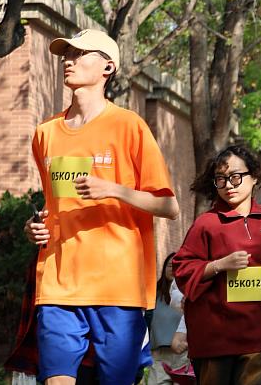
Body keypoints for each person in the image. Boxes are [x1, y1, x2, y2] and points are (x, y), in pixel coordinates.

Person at [24, 29, 179, 385]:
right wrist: (32, 228)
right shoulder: (45, 133)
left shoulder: (129, 126)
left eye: (80, 53)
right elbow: (53, 205)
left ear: (107, 67)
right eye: (67, 54)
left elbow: (169, 206)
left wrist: (114, 190)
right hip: (59, 284)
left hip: (118, 287)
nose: (69, 60)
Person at [172, 145, 261, 385]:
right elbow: (182, 268)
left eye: (235, 176)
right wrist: (219, 265)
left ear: (254, 177)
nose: (229, 185)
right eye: (220, 179)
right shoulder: (206, 224)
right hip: (215, 338)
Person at [148, 253, 188, 385]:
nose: (173, 269)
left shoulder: (190, 293)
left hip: (184, 354)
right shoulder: (153, 293)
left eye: (178, 266)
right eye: (170, 265)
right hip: (159, 355)